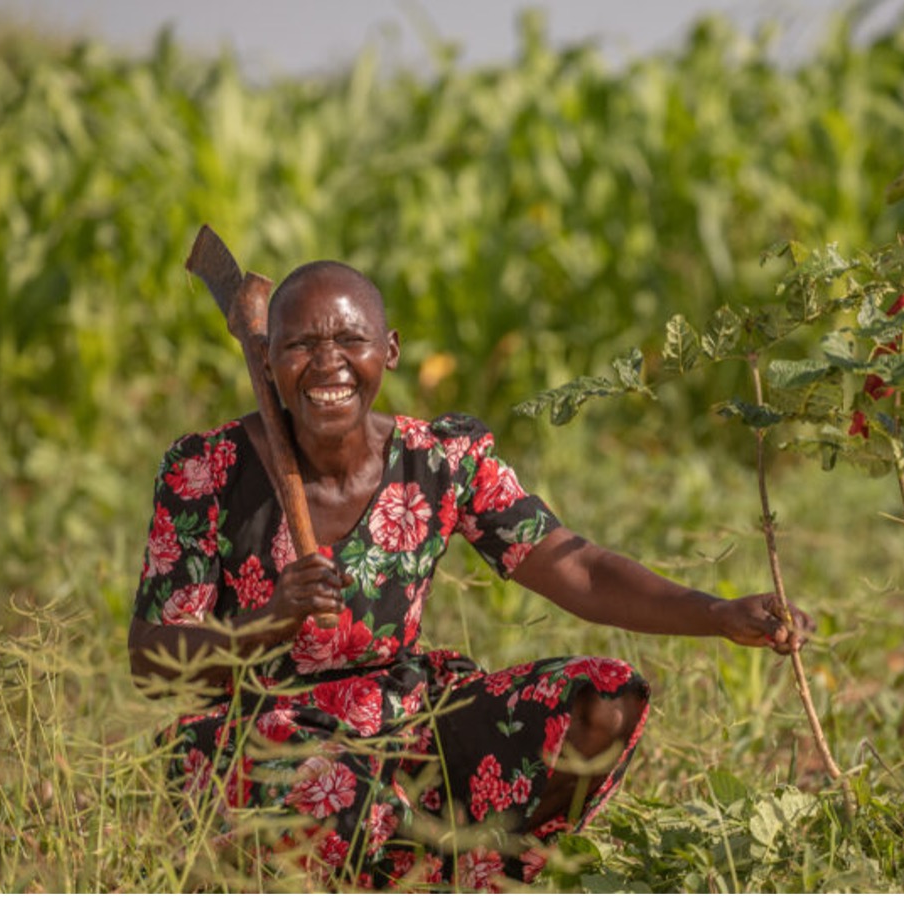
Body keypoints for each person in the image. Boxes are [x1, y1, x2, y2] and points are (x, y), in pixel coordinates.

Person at [128, 260, 812, 890]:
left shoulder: (440, 458)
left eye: (350, 340)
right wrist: (270, 620)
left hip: (405, 722)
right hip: (260, 735)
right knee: (331, 786)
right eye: (301, 345)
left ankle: (473, 867)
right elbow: (154, 661)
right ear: (267, 359)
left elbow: (580, 568)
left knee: (603, 700)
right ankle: (405, 858)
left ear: (388, 351)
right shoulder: (207, 470)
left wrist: (718, 614)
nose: (328, 363)